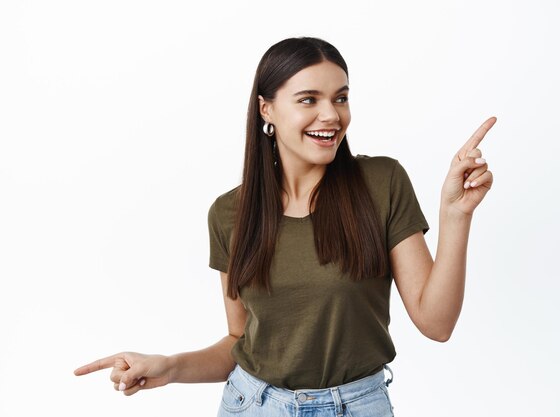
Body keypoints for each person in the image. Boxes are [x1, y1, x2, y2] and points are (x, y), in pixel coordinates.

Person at [74, 37, 496, 416]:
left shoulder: (381, 183)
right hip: (253, 405)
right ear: (267, 109)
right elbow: (239, 341)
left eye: (341, 97)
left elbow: (436, 323)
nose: (331, 114)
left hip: (358, 406)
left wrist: (455, 216)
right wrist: (169, 367)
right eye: (309, 99)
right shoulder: (229, 214)